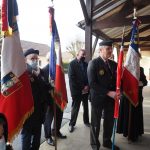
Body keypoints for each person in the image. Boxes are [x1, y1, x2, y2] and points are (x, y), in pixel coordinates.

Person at [87, 40, 120, 150]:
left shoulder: (114, 64)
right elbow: (92, 83)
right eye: (108, 49)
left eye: (111, 49)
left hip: (110, 99)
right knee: (96, 123)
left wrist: (119, 90)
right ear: (100, 50)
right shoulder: (93, 63)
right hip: (98, 98)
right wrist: (108, 92)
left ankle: (107, 141)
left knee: (109, 122)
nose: (110, 51)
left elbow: (118, 80)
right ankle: (95, 145)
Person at [21, 48, 47, 150]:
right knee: (26, 140)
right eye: (32, 58)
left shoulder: (40, 72)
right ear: (25, 60)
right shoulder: (23, 74)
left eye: (36, 58)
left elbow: (44, 87)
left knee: (37, 141)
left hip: (39, 112)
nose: (35, 60)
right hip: (28, 114)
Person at [42, 52, 67, 146]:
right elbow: (43, 87)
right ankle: (48, 136)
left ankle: (56, 132)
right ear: (48, 59)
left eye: (55, 58)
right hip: (49, 100)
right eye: (53, 58)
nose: (55, 59)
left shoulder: (58, 70)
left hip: (59, 98)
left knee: (59, 117)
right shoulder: (44, 70)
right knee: (48, 119)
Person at [117, 66, 148, 142]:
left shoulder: (140, 69)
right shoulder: (124, 69)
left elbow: (145, 82)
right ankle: (126, 132)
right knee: (127, 115)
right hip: (126, 98)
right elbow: (120, 83)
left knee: (136, 116)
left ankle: (136, 133)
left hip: (137, 97)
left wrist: (138, 83)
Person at [68, 49, 90, 133]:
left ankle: (86, 121)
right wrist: (82, 87)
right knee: (75, 108)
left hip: (86, 89)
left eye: (85, 55)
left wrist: (87, 85)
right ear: (77, 54)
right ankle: (71, 124)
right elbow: (72, 78)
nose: (84, 56)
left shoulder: (86, 64)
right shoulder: (72, 64)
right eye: (82, 54)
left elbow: (89, 75)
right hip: (77, 90)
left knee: (86, 107)